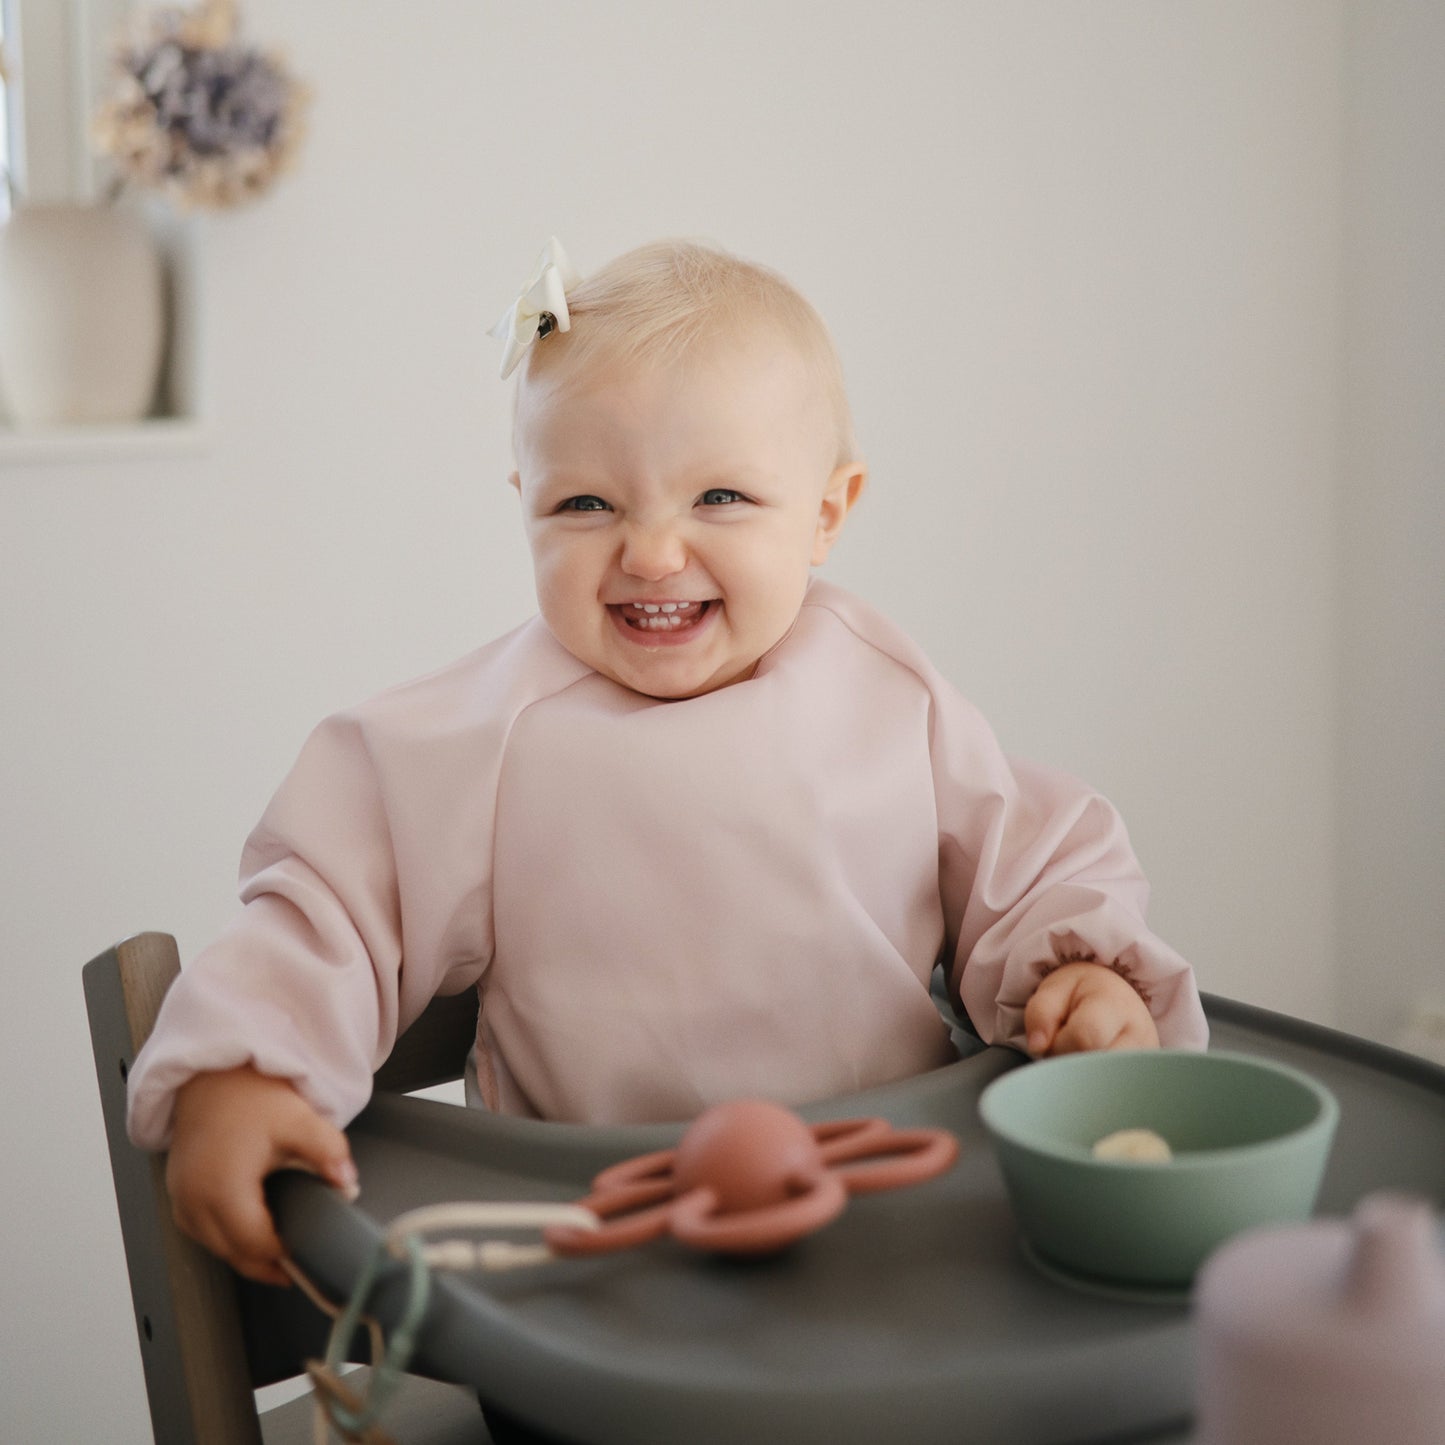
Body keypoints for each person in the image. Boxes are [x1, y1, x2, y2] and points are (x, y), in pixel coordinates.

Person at [127, 238, 1209, 1286]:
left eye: (719, 497)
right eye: (584, 503)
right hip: (603, 1260)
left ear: (827, 511)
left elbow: (1028, 847)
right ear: (524, 507)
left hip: (897, 1220)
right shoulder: (480, 735)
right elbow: (327, 905)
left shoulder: (885, 692)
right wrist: (244, 1065)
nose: (649, 550)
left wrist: (1076, 971)